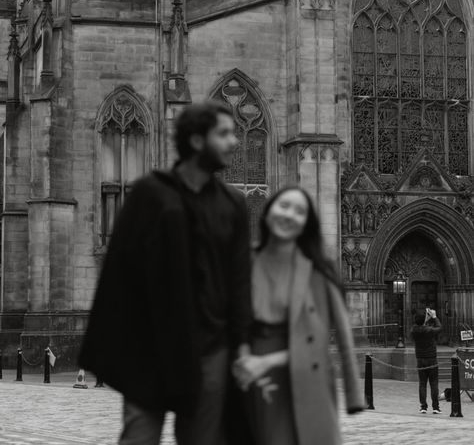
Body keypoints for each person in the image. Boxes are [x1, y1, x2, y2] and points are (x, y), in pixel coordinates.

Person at [78, 101, 252, 445]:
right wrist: (114, 347)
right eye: (224, 133)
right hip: (151, 348)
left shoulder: (232, 204)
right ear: (198, 141)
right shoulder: (150, 194)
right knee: (140, 438)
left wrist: (243, 346)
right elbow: (119, 275)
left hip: (209, 350)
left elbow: (239, 280)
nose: (234, 141)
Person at [232, 187, 364, 445]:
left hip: (304, 376)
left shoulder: (318, 270)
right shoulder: (243, 261)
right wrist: (244, 357)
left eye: (300, 211)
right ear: (267, 210)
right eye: (284, 206)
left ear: (307, 224)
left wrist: (353, 392)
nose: (289, 215)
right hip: (250, 376)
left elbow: (327, 341)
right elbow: (232, 319)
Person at [411, 308, 442, 414]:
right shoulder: (429, 330)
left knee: (422, 384)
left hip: (420, 359)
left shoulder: (414, 330)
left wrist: (426, 320)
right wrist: (434, 317)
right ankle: (435, 407)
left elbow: (421, 326)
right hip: (431, 359)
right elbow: (439, 328)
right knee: (434, 384)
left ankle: (423, 406)